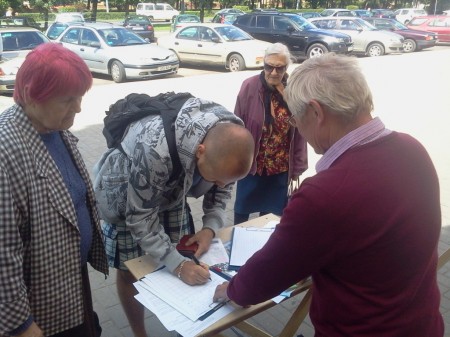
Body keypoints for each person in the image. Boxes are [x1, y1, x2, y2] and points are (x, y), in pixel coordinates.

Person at [214, 53, 444, 336]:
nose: (299, 131)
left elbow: (268, 273)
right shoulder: (413, 148)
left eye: (296, 121)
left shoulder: (324, 195)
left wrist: (232, 290)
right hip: (422, 323)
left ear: (316, 113)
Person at [95, 97, 255, 337]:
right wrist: (179, 266)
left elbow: (223, 184)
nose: (221, 185)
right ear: (200, 152)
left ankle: (194, 325)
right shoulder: (155, 149)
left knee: (185, 254)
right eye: (216, 178)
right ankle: (140, 333)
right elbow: (140, 218)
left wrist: (209, 229)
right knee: (132, 270)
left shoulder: (231, 136)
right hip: (128, 191)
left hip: (172, 182)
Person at [0, 43, 108, 337]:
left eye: (80, 97)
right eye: (68, 99)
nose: (79, 107)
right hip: (37, 307)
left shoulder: (53, 128)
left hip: (67, 281)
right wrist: (22, 325)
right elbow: (2, 252)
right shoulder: (6, 149)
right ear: (33, 97)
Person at [233, 42, 308, 225]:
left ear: (286, 67)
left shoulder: (294, 91)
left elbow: (301, 132)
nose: (274, 73)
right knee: (241, 213)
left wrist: (297, 167)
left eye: (279, 68)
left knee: (269, 220)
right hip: (251, 167)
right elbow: (236, 125)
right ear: (264, 64)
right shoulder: (249, 87)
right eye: (269, 67)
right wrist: (234, 159)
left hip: (279, 169)